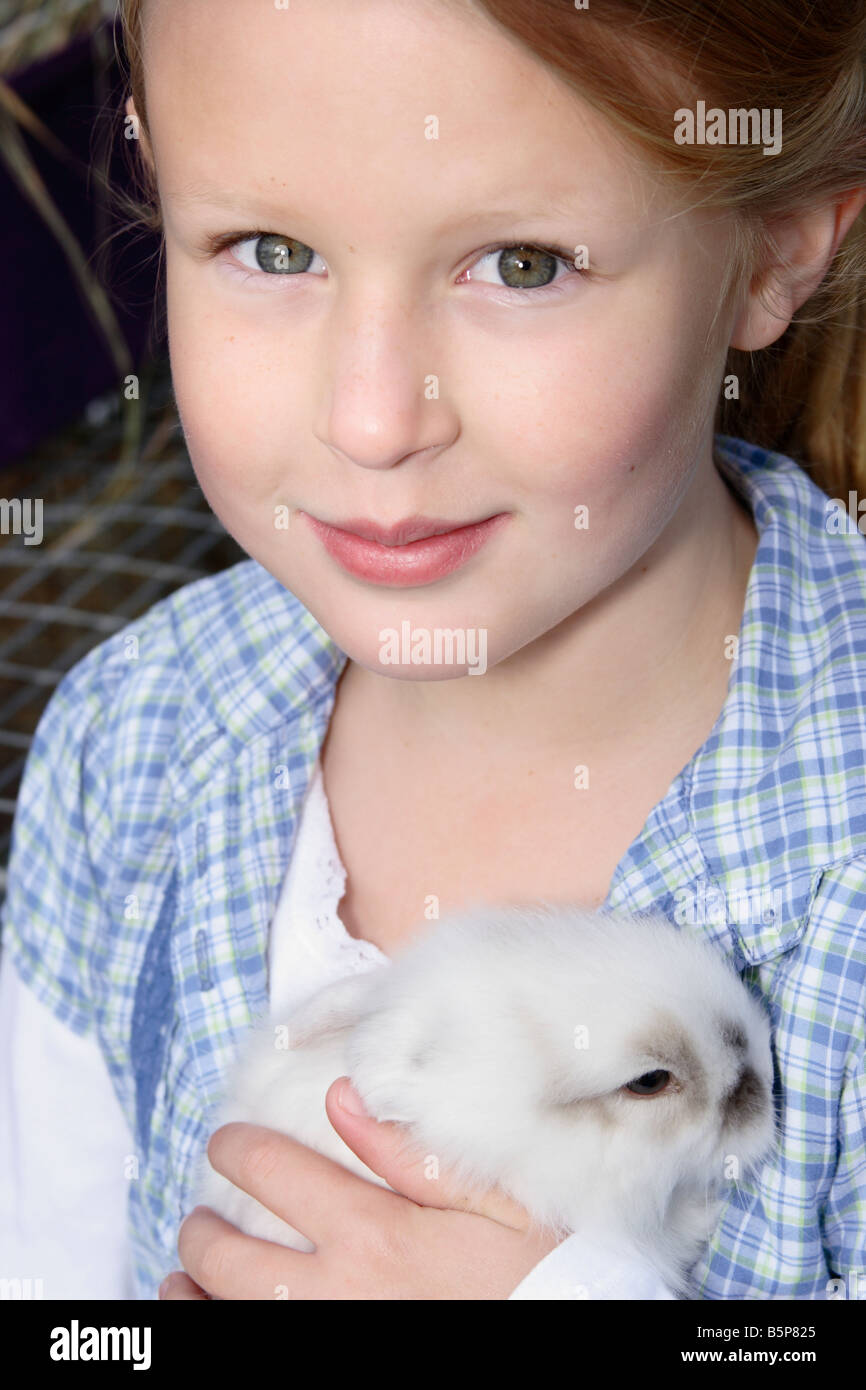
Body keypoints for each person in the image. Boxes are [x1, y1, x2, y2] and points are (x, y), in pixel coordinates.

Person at [1, 0, 865, 1301]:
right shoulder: (131, 739)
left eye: (521, 264)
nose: (370, 420)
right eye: (272, 247)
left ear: (772, 255)